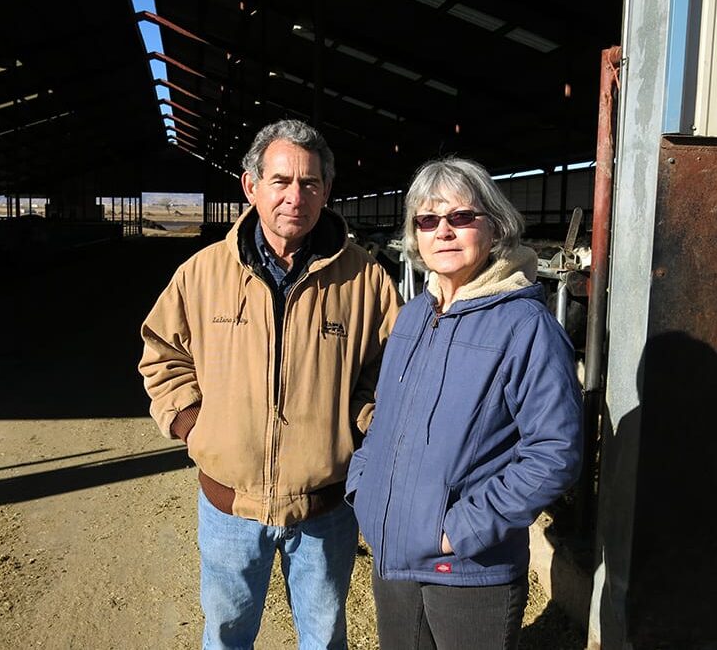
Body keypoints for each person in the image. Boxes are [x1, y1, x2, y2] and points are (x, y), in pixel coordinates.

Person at [139, 119, 401, 649]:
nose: (294, 197)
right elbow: (162, 356)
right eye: (280, 181)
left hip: (325, 508)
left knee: (324, 636)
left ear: (326, 191)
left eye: (309, 183)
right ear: (251, 186)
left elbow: (390, 369)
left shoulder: (366, 279)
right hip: (229, 505)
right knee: (228, 632)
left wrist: (358, 426)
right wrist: (194, 425)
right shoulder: (202, 273)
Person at [345, 156, 582, 650]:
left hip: (469, 570)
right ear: (414, 237)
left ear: (494, 227)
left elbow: (554, 453)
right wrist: (363, 490)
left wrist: (460, 529)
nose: (443, 232)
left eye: (461, 217)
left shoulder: (526, 327)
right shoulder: (411, 319)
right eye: (428, 221)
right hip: (396, 561)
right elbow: (384, 418)